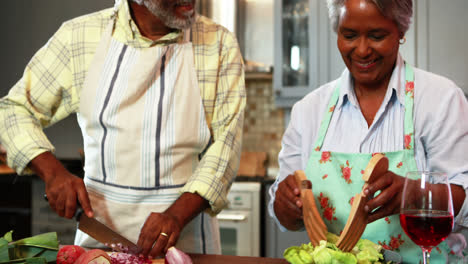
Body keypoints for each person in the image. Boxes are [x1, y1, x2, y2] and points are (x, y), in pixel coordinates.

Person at [0, 0, 245, 258]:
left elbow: (226, 147)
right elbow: (13, 110)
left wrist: (176, 215)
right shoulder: (79, 37)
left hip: (188, 247)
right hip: (99, 247)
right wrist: (53, 173)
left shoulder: (220, 44)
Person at [269, 0, 468, 262]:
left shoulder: (440, 100)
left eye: (377, 36)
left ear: (401, 31)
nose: (362, 50)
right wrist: (284, 204)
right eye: (349, 35)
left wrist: (414, 194)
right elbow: (286, 217)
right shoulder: (309, 110)